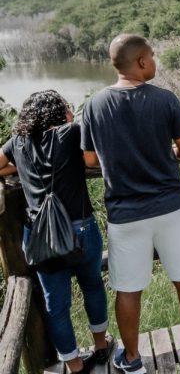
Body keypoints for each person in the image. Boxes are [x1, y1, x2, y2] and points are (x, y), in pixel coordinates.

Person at [82, 34, 180, 372]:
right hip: (171, 206)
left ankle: (134, 358)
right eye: (153, 57)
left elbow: (90, 159)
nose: (155, 62)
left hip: (125, 214)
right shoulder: (165, 99)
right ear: (140, 61)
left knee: (128, 288)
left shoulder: (94, 104)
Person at [0, 91, 111, 373]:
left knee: (55, 304)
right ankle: (100, 347)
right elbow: (93, 157)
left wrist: (21, 168)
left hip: (39, 236)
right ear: (59, 112)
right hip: (80, 228)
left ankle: (73, 364)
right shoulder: (71, 134)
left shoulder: (19, 142)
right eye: (67, 107)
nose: (71, 112)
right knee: (93, 285)